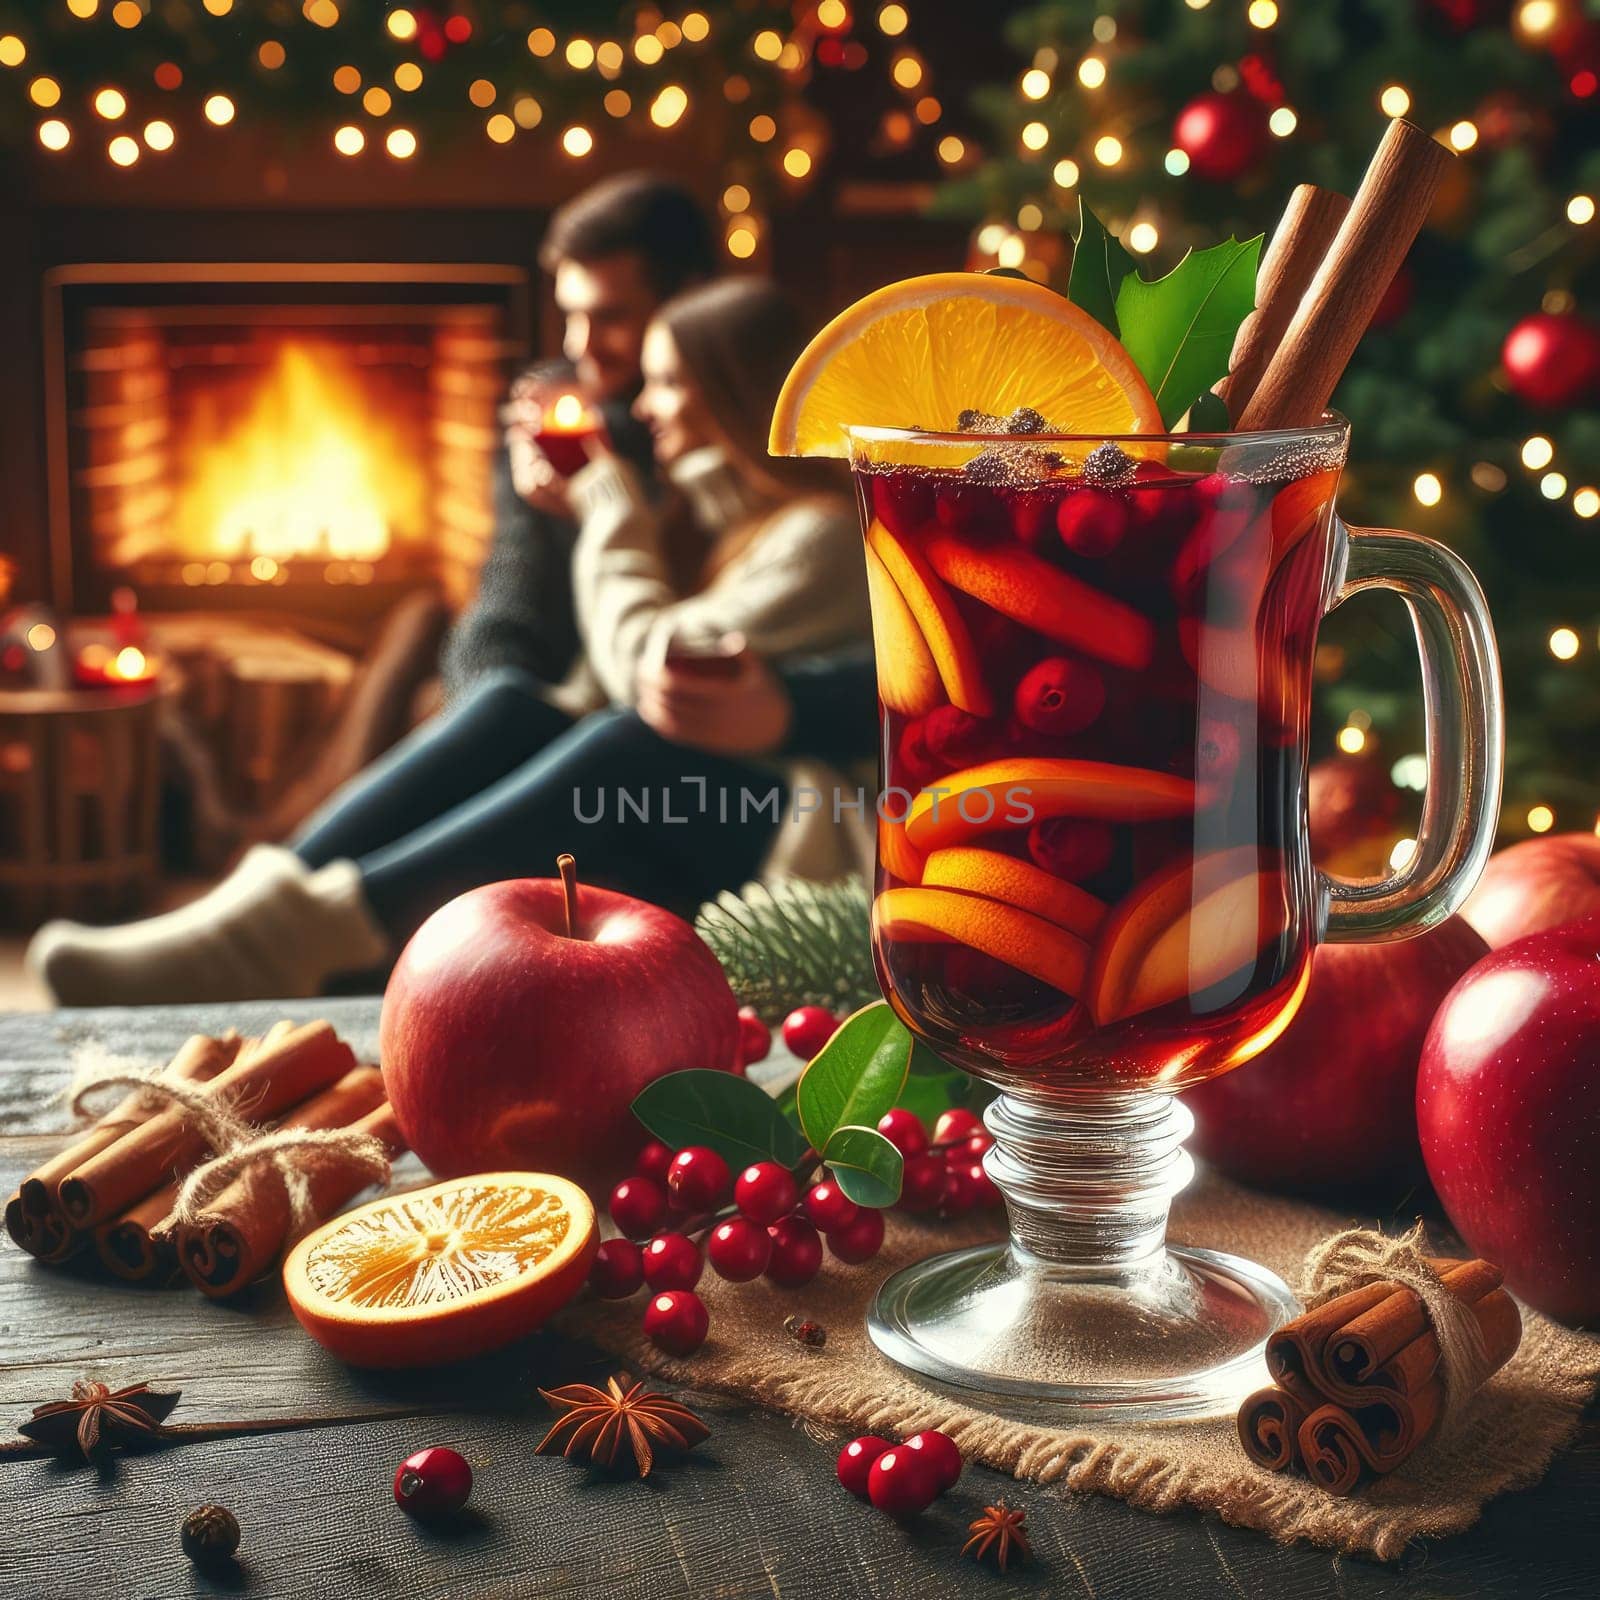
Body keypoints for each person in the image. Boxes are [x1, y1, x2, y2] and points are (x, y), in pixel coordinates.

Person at [29, 279, 871, 1006]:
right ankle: (251, 915)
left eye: (665, 383)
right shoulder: (742, 528)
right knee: (512, 704)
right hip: (709, 806)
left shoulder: (821, 536)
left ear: (728, 394)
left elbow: (645, 677)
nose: (644, 409)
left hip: (794, 835)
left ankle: (293, 943)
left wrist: (610, 510)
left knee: (620, 742)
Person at [440, 171, 716, 693]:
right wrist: (481, 700)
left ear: (687, 299)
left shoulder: (733, 430)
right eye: (571, 315)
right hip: (537, 683)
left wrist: (598, 496)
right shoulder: (549, 409)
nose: (580, 347)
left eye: (610, 317)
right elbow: (509, 596)